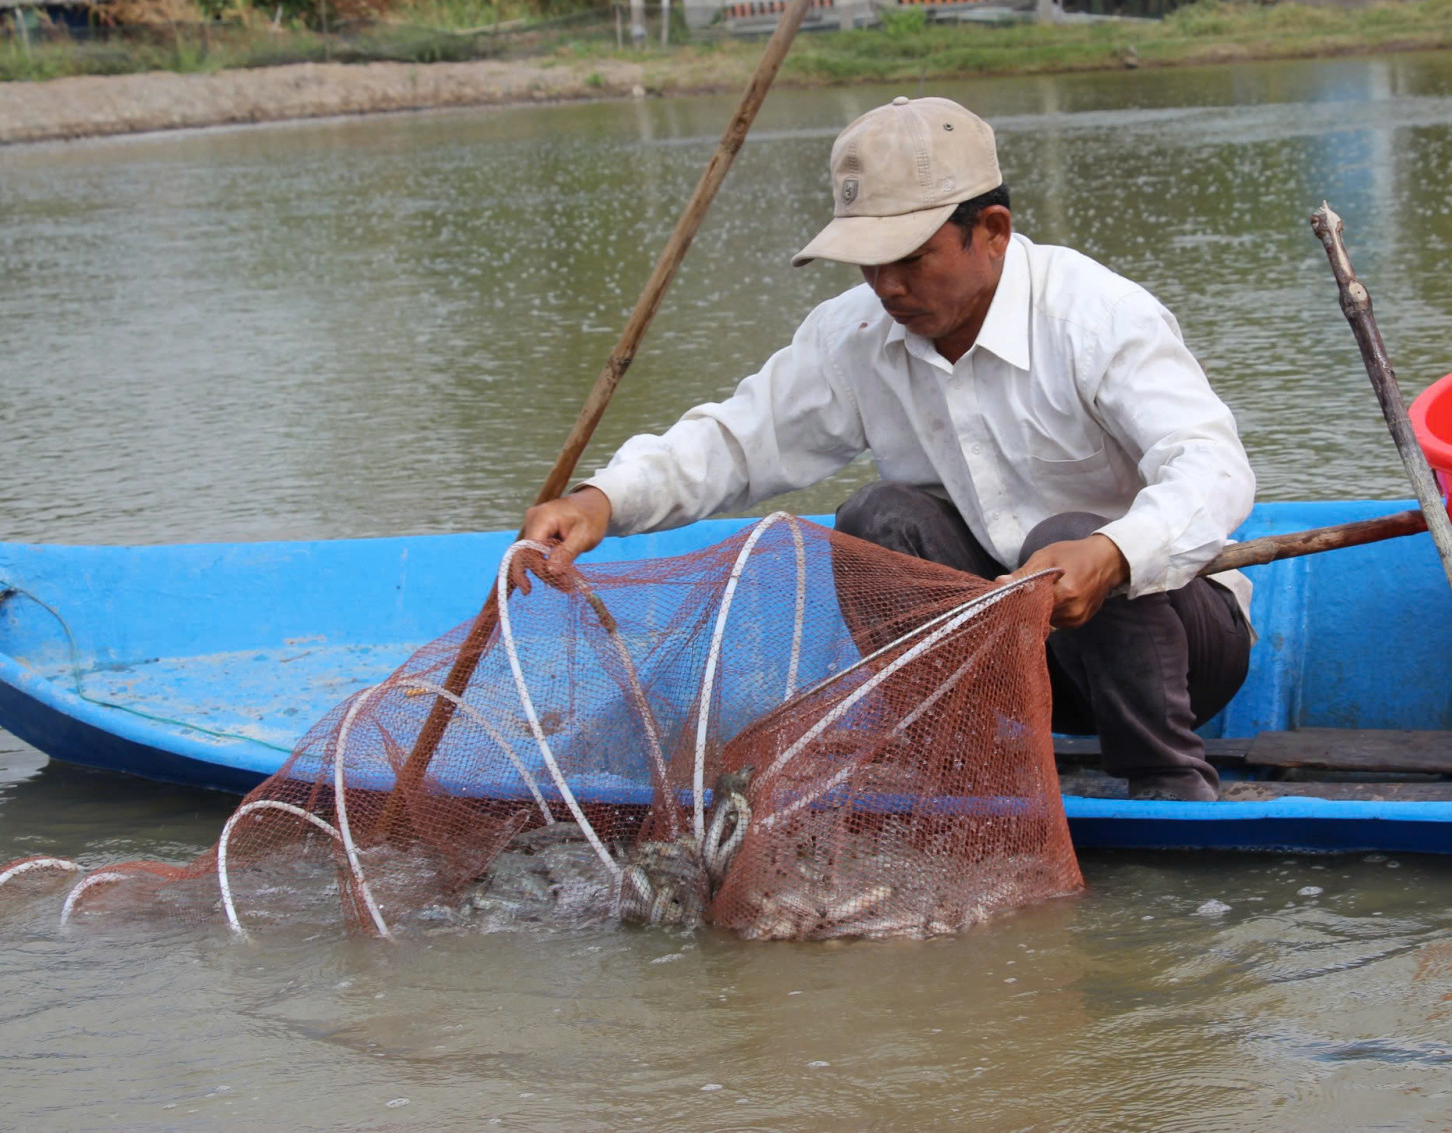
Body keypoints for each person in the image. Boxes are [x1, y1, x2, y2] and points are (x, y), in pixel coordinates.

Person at [520, 96, 1257, 801]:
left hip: (1175, 656)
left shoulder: (1098, 317)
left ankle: (1166, 782)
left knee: (1072, 534)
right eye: (869, 263)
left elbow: (1214, 468)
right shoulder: (857, 335)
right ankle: (964, 765)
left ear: (992, 230)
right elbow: (739, 440)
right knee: (879, 517)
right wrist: (602, 502)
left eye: (912, 258)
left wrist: (1114, 552)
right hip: (1019, 665)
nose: (888, 287)